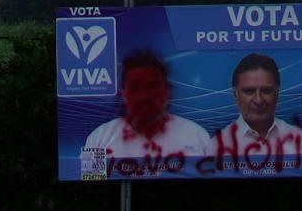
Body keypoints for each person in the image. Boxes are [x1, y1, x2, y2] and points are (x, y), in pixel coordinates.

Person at [80, 51, 213, 171]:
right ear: (123, 95)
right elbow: (91, 183)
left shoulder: (196, 136)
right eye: (135, 87)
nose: (144, 95)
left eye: (153, 86)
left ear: (167, 91)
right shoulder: (99, 139)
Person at [215, 52, 302, 171]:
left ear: (277, 93)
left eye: (266, 91)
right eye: (249, 91)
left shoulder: (301, 140)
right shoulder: (217, 144)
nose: (258, 100)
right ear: (235, 94)